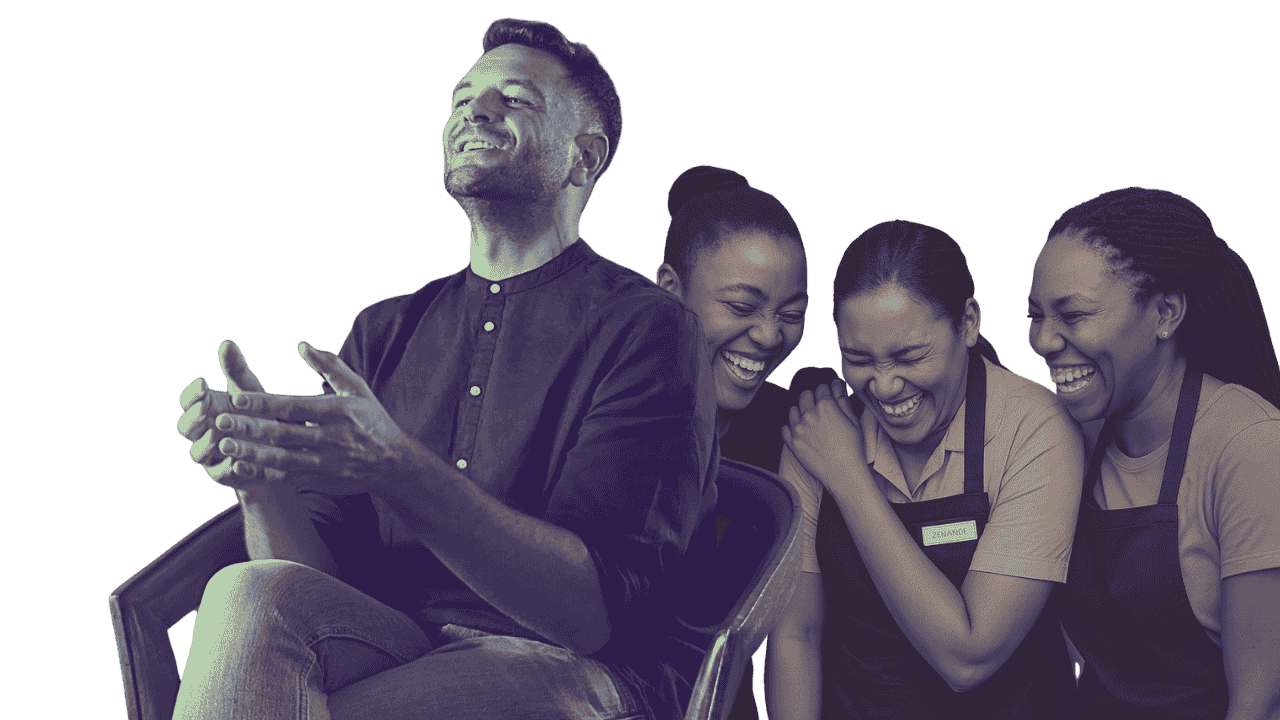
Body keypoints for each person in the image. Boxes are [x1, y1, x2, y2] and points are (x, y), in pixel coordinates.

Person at [171, 17, 719, 720]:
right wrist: (260, 485)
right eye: (464, 98)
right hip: (399, 644)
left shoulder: (650, 329)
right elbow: (312, 584)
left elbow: (587, 619)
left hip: (575, 672)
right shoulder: (385, 328)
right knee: (246, 590)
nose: (475, 111)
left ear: (584, 158)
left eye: (515, 100)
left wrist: (394, 463)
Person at [767, 219, 1082, 719]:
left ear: (968, 323)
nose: (885, 387)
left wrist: (850, 478)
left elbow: (968, 657)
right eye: (859, 358)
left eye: (910, 356)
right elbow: (795, 635)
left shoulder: (1033, 428)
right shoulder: (817, 434)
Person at [1029, 187, 1280, 719]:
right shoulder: (1072, 435)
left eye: (1072, 316)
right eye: (1035, 316)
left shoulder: (1250, 447)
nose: (1043, 341)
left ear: (1165, 313)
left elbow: (1257, 704)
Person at [653, 164, 824, 720]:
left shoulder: (794, 423)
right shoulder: (600, 413)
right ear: (669, 292)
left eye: (792, 314)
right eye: (742, 307)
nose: (771, 335)